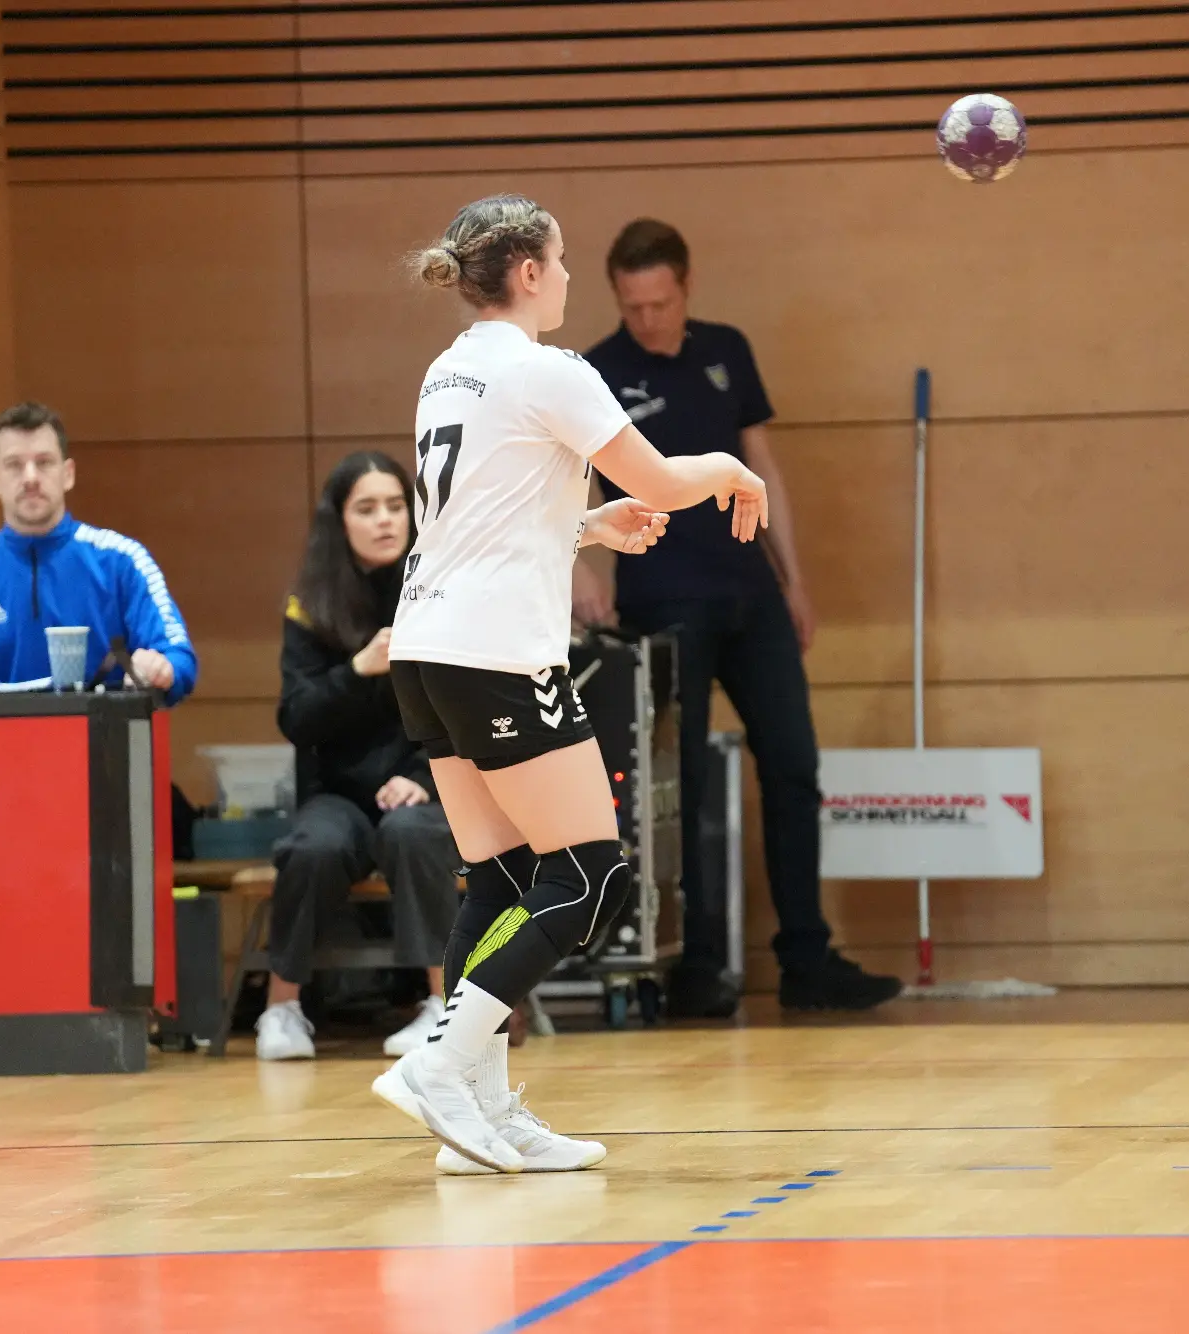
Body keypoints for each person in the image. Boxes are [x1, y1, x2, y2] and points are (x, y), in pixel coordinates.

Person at [369, 193, 768, 1175]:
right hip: (498, 653)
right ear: (528, 272)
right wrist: (727, 467)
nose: (570, 277)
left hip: (425, 647)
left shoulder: (448, 369)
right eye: (560, 261)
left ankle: (481, 1110)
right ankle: (443, 1063)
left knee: (503, 878)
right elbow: (663, 478)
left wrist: (588, 527)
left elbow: (484, 517)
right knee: (591, 873)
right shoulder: (549, 368)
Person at [575, 219, 902, 1015]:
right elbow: (569, 481)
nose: (647, 319)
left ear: (686, 287)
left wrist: (794, 579)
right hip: (661, 600)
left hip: (751, 594)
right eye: (632, 306)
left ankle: (806, 958)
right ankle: (694, 966)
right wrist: (580, 568)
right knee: (678, 786)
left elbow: (763, 467)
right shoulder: (594, 372)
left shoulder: (726, 351)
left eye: (660, 303)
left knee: (793, 765)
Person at [262, 451, 463, 1063]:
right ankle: (281, 1009)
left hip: (428, 788)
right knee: (311, 847)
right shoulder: (310, 605)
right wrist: (357, 671)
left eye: (396, 506)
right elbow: (297, 718)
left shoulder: (445, 590)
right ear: (340, 520)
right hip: (338, 793)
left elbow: (471, 709)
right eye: (367, 508)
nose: (385, 520)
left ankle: (442, 1007)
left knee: (412, 833)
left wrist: (423, 778)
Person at [0, 402, 197, 701]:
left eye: (44, 462)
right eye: (14, 465)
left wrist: (161, 668)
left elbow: (179, 658)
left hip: (102, 732)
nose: (30, 478)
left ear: (68, 474)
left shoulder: (123, 562)